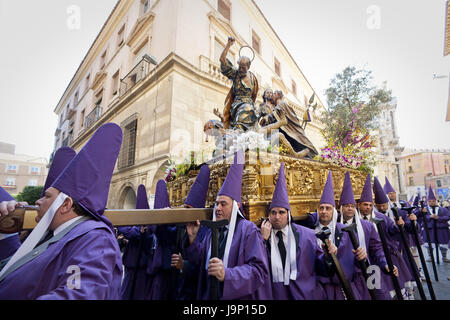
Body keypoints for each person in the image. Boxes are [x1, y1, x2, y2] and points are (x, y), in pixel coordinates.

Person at [0, 123, 123, 299]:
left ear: (65, 205)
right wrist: (5, 229)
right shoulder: (54, 234)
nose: (38, 201)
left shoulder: (95, 238)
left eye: (47, 197)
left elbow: (79, 294)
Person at [184, 150, 271, 300]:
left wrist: (227, 274)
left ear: (236, 206)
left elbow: (259, 271)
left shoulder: (248, 230)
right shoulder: (213, 231)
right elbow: (201, 263)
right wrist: (192, 239)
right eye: (216, 204)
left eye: (223, 204)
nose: (217, 208)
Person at [260, 162, 335, 299]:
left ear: (288, 215)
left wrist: (328, 256)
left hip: (303, 294)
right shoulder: (262, 237)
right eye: (273, 212)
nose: (277, 217)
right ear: (268, 215)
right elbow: (257, 266)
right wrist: (262, 241)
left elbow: (322, 269)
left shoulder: (308, 235)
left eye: (281, 212)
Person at [296, 171, 361, 299]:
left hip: (344, 288)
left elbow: (356, 260)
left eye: (328, 208)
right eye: (321, 208)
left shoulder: (345, 231)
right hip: (320, 290)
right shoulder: (309, 232)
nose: (324, 212)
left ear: (334, 211)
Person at [338, 171, 390, 300]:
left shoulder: (367, 226)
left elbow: (377, 248)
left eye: (351, 206)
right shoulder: (334, 227)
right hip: (346, 274)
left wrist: (385, 263)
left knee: (378, 296)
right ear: (340, 208)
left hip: (369, 269)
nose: (349, 208)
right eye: (346, 206)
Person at [171, 164, 210, 300]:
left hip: (197, 290)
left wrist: (184, 265)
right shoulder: (183, 226)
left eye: (189, 209)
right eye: (184, 208)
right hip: (182, 287)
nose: (185, 212)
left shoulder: (206, 230)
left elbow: (202, 263)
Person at [384, 177, 419, 299]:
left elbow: (410, 227)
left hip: (403, 246)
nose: (391, 195)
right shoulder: (381, 213)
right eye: (388, 193)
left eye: (393, 193)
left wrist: (413, 222)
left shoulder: (403, 207)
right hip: (390, 249)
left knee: (407, 274)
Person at [118, 184, 155, 300]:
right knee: (126, 294)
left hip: (143, 267)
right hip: (131, 265)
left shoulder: (150, 227)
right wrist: (139, 230)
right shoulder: (133, 225)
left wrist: (141, 231)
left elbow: (148, 236)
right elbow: (123, 228)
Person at [261, 90, 318, 158]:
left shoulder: (281, 103)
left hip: (291, 129)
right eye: (269, 93)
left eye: (274, 93)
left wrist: (266, 119)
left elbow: (276, 114)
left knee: (300, 142)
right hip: (289, 129)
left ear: (278, 95)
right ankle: (305, 152)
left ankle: (306, 152)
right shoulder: (274, 106)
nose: (272, 95)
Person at [220, 36, 259, 132]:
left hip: (249, 104)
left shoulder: (253, 78)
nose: (240, 69)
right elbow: (223, 60)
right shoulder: (235, 73)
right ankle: (238, 131)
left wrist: (253, 106)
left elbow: (254, 95)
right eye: (239, 66)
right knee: (246, 109)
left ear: (248, 66)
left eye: (243, 67)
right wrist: (228, 45)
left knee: (250, 110)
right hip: (237, 105)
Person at [419, 186, 449, 263]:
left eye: (433, 201)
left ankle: (444, 257)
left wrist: (438, 218)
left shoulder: (443, 209)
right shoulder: (424, 209)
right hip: (429, 230)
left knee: (443, 244)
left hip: (441, 230)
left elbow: (448, 216)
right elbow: (421, 218)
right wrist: (429, 216)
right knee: (429, 244)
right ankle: (430, 257)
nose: (431, 202)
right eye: (430, 201)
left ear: (435, 201)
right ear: (427, 202)